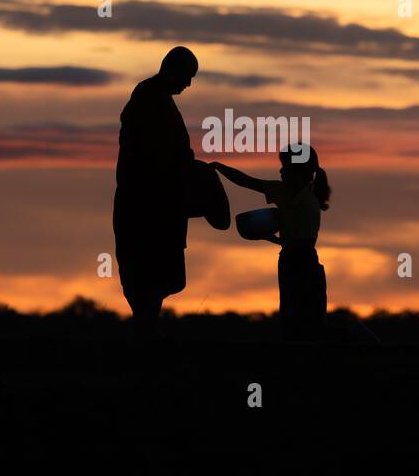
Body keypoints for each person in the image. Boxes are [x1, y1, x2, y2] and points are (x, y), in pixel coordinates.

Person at [113, 47, 199, 336]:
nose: (188, 84)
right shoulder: (149, 100)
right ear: (171, 69)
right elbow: (154, 158)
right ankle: (144, 336)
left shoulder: (157, 99)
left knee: (157, 279)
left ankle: (145, 333)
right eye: (187, 76)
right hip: (146, 207)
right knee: (148, 278)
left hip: (157, 206)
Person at [212, 146, 330, 341]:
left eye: (285, 167)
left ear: (298, 171)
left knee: (308, 320)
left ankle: (353, 337)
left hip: (303, 262)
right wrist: (219, 167)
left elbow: (301, 244)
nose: (281, 171)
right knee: (294, 317)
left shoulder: (308, 200)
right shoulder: (284, 191)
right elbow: (246, 181)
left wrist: (271, 237)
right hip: (292, 259)